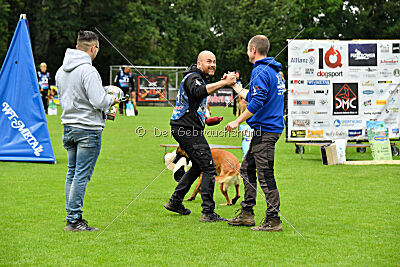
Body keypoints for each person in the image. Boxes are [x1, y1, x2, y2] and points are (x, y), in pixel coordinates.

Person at [56, 30, 119, 231]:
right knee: (81, 175)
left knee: (72, 173)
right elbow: (99, 101)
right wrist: (112, 99)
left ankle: (71, 216)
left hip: (68, 127)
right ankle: (74, 220)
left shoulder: (60, 70)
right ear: (93, 48)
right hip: (88, 129)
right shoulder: (88, 71)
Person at [164, 50, 236, 222]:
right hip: (186, 129)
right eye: (208, 61)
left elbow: (194, 106)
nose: (212, 64)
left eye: (214, 62)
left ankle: (175, 201)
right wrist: (223, 83)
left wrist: (208, 120)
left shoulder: (198, 77)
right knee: (210, 168)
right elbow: (198, 92)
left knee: (198, 166)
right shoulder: (193, 78)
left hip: (188, 128)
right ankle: (208, 212)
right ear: (199, 64)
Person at [225, 35, 285, 231]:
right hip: (267, 130)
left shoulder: (260, 70)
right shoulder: (272, 70)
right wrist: (234, 85)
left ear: (253, 50)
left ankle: (273, 220)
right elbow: (252, 96)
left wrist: (237, 121)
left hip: (266, 130)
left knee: (265, 175)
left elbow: (257, 103)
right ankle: (247, 214)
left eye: (247, 49)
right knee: (247, 169)